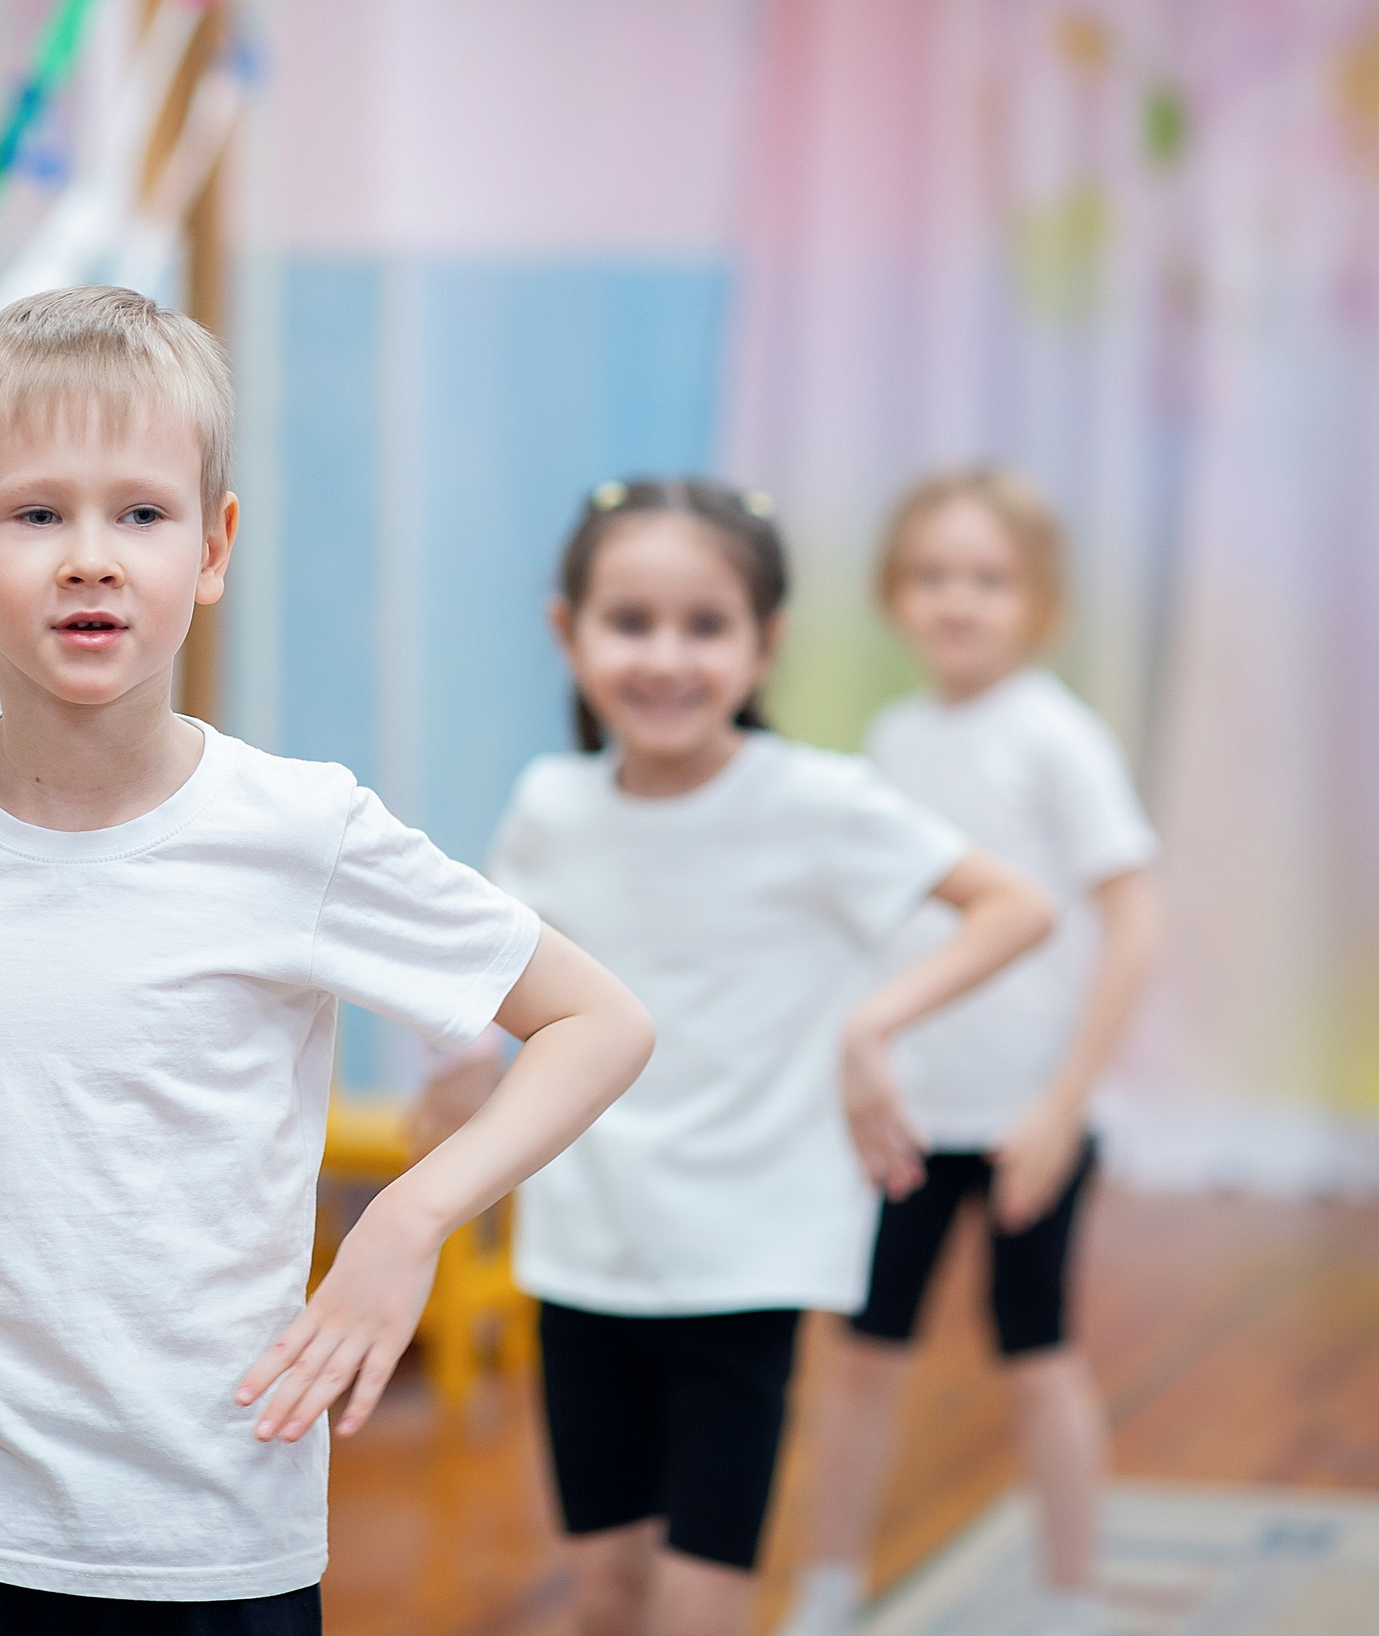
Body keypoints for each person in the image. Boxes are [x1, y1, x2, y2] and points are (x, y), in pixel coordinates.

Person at [0, 285, 656, 1635]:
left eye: (140, 512)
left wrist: (411, 1218)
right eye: (34, 514)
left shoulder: (299, 831)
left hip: (207, 1542)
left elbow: (598, 1020)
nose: (90, 557)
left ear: (215, 544)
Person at [418, 477, 1054, 1636]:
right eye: (629, 622)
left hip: (747, 1262)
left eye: (705, 626)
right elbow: (506, 988)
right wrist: (459, 1073)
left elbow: (1014, 906)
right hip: (584, 1253)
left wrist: (871, 1024)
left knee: (700, 1604)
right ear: (568, 633)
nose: (666, 658)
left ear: (765, 644)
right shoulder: (549, 804)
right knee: (605, 1591)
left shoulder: (819, 804)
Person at [779, 468, 1159, 1636]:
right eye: (934, 577)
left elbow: (1133, 921)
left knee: (1036, 1355)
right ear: (896, 595)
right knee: (861, 1359)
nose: (958, 602)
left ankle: (1070, 1598)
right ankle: (829, 1586)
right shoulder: (892, 739)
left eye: (988, 580)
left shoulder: (1057, 741)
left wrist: (1060, 1103)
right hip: (908, 1115)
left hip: (1023, 1119)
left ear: (1039, 603)